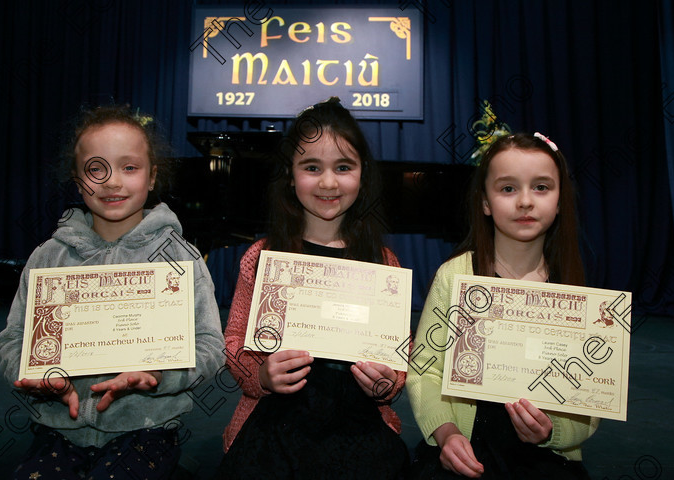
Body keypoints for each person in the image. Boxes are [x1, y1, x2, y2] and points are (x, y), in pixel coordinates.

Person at [0, 104, 225, 480]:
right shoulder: (49, 256)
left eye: (129, 168)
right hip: (57, 430)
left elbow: (209, 348)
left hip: (147, 428)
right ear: (77, 178)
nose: (112, 181)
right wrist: (33, 376)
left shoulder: (180, 258)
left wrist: (157, 374)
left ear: (152, 177)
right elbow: (13, 340)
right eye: (95, 169)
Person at [216, 97, 410, 479]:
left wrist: (388, 382)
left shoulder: (383, 262)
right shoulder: (262, 256)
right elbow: (235, 338)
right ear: (290, 175)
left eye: (343, 167)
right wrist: (261, 376)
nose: (327, 182)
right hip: (275, 423)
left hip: (358, 424)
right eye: (311, 167)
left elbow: (399, 354)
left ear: (362, 174)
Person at [407, 132, 599, 479]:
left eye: (541, 187)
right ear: (485, 201)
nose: (525, 201)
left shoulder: (574, 292)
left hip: (544, 461)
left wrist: (552, 431)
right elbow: (424, 370)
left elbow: (590, 400)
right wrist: (446, 433)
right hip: (465, 449)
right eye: (508, 189)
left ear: (559, 200)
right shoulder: (455, 276)